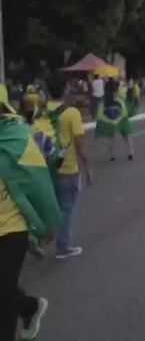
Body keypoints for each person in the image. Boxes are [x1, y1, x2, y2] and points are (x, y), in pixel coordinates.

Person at [0, 84, 62, 341]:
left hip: (10, 229)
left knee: (2, 299)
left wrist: (48, 223)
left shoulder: (18, 138)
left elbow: (39, 182)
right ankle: (29, 306)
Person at [44, 77, 93, 259]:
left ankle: (45, 236)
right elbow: (80, 145)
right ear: (65, 89)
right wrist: (88, 168)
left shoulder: (41, 112)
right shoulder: (72, 113)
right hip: (67, 168)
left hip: (46, 168)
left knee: (51, 205)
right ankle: (62, 247)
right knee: (66, 208)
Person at [96, 78, 135, 162]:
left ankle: (111, 156)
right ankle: (131, 152)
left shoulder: (104, 100)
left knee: (110, 138)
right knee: (126, 136)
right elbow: (128, 103)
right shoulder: (120, 97)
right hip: (122, 119)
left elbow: (100, 113)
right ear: (116, 88)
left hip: (109, 121)